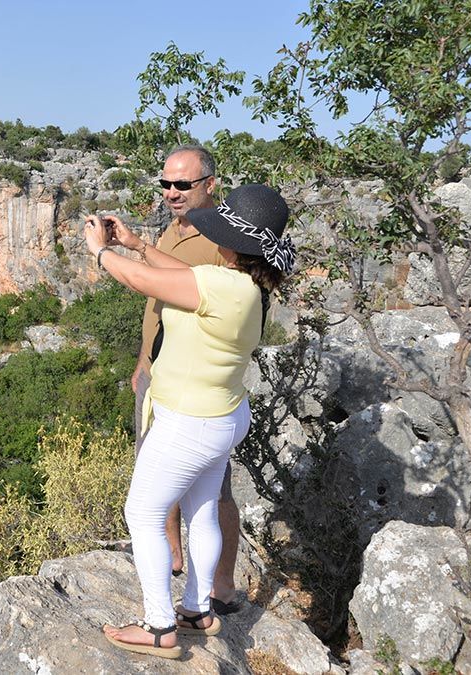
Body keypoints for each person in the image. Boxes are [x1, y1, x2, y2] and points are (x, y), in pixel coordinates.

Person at [85, 184, 295, 658]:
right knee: (202, 511)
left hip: (189, 422)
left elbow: (143, 281)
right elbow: (186, 274)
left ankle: (160, 626)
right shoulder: (248, 287)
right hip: (223, 415)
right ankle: (198, 609)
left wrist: (101, 253)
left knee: (142, 513)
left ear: (237, 242)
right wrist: (138, 244)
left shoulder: (221, 286)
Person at [133, 145, 242, 613]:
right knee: (155, 472)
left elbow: (225, 305)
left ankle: (221, 587)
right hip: (157, 374)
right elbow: (156, 304)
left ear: (210, 185)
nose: (172, 193)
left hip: (197, 387)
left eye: (183, 184)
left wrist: (109, 255)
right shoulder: (169, 232)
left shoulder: (224, 241)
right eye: (166, 184)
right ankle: (173, 557)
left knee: (214, 493)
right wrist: (142, 362)